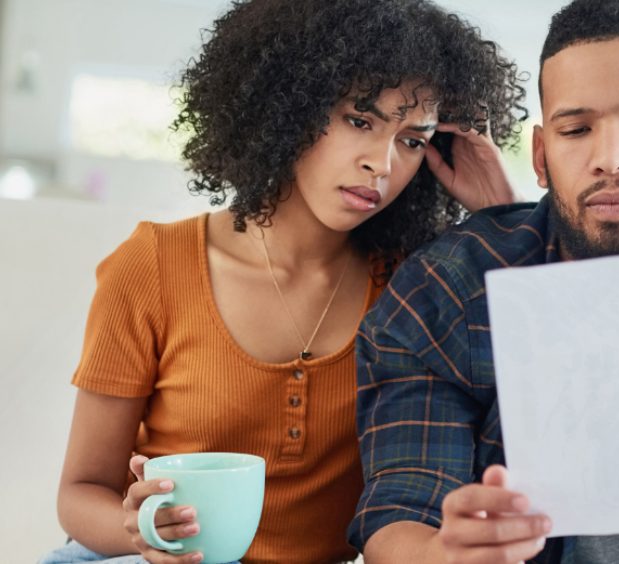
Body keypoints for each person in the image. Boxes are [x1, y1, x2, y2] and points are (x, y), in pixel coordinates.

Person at [39, 0, 528, 563]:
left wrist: (502, 215)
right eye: (359, 120)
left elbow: (538, 387)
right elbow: (81, 493)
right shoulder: (152, 265)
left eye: (412, 140)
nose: (382, 163)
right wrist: (141, 528)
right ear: (288, 106)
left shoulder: (413, 284)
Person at [349, 0, 619, 563]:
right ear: (541, 157)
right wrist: (449, 555)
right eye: (576, 129)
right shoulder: (447, 289)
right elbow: (400, 518)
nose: (611, 158)